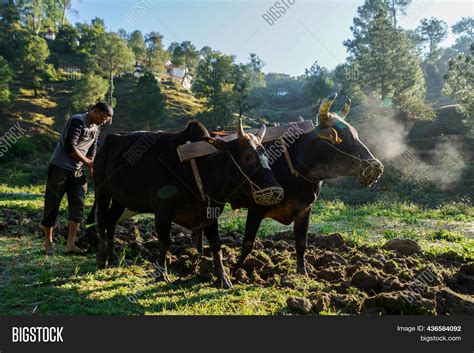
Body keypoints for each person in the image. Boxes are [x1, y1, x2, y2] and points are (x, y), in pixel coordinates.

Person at [41, 102, 113, 255]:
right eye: (103, 117)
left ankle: (70, 244)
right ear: (94, 110)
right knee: (52, 205)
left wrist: (91, 165)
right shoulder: (77, 121)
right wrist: (88, 162)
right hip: (60, 167)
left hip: (77, 171)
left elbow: (93, 147)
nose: (104, 121)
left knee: (78, 206)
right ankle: (48, 243)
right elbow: (70, 146)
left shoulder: (96, 127)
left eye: (106, 119)